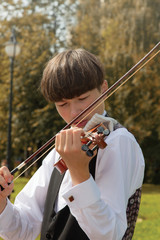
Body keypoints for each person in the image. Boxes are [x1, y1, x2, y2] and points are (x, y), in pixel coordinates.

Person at [0, 49, 145, 240]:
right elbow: (22, 231)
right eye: (62, 104)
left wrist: (79, 172)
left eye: (82, 99)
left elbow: (108, 234)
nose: (74, 112)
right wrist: (2, 203)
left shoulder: (118, 142)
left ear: (104, 89)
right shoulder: (59, 152)